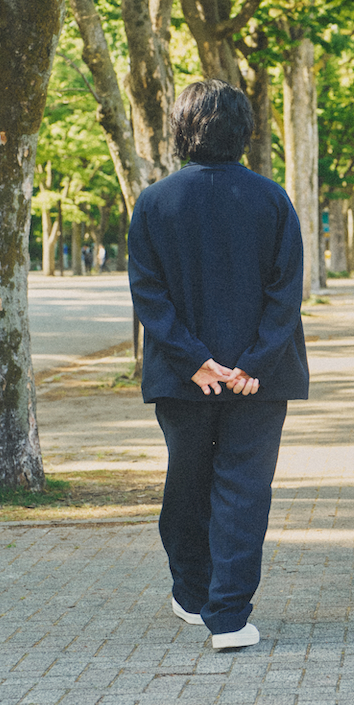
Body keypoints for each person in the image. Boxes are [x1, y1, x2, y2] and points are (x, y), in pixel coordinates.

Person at [128, 79, 309, 651]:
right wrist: (253, 363)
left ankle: (192, 593)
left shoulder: (155, 202)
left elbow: (148, 294)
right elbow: (286, 292)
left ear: (181, 130)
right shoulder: (272, 199)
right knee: (244, 490)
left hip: (183, 379)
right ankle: (228, 616)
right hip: (259, 379)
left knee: (187, 482)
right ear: (244, 132)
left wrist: (195, 361)